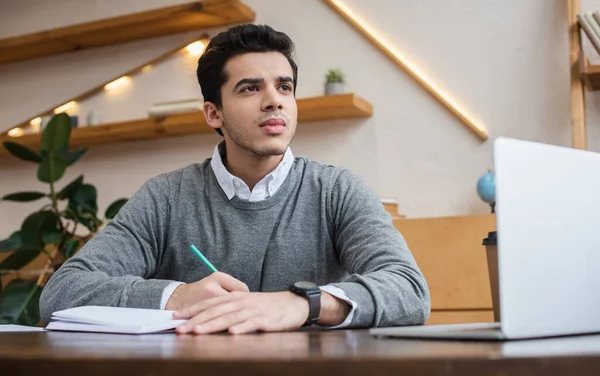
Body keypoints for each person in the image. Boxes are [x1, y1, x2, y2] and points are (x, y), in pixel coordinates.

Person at [40, 24, 430, 335]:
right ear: (214, 114)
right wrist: (177, 296)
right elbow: (61, 291)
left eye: (284, 86)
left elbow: (409, 290)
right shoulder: (166, 197)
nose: (274, 100)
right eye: (250, 88)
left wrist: (301, 304)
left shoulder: (337, 191)